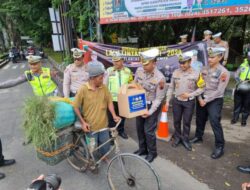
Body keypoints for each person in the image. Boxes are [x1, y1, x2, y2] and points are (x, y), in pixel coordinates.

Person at [73, 61, 120, 158]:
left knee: (105, 146)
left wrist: (114, 115)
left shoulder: (104, 88)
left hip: (103, 125)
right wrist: (83, 123)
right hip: (91, 127)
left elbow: (109, 102)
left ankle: (104, 156)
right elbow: (75, 106)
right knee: (92, 149)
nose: (102, 80)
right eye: (100, 78)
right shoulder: (83, 89)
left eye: (103, 77)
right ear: (92, 78)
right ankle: (91, 161)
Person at [190, 47, 230, 159]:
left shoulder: (224, 72)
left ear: (220, 57)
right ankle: (198, 136)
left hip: (214, 100)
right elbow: (198, 84)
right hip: (201, 97)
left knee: (214, 121)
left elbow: (219, 91)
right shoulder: (204, 68)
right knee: (199, 118)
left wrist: (205, 100)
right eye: (209, 56)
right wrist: (199, 98)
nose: (209, 59)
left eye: (212, 57)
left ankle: (220, 146)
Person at [166, 51, 205, 151]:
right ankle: (178, 137)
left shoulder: (196, 73)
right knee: (176, 121)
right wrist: (167, 101)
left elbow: (201, 88)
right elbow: (171, 87)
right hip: (177, 101)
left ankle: (185, 139)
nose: (182, 65)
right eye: (180, 63)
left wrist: (190, 94)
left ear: (190, 61)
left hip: (189, 102)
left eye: (184, 63)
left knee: (187, 122)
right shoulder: (176, 72)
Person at [133, 48, 166, 163]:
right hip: (140, 103)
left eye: (146, 64)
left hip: (152, 105)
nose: (144, 66)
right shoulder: (139, 71)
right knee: (139, 127)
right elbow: (134, 83)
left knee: (148, 130)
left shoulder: (160, 78)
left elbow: (159, 99)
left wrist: (150, 112)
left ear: (154, 63)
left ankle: (152, 152)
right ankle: (142, 149)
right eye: (143, 63)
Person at [104, 52, 133, 139]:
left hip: (123, 99)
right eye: (114, 61)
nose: (115, 63)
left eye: (117, 61)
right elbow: (104, 85)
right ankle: (111, 135)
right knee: (111, 118)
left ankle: (121, 131)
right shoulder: (109, 71)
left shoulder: (128, 71)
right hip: (111, 100)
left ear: (122, 60)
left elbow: (131, 83)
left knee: (122, 117)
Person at [231, 52, 250, 126]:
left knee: (247, 105)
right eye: (249, 57)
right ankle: (235, 118)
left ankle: (244, 120)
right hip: (239, 87)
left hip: (249, 89)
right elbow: (236, 74)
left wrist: (248, 80)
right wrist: (239, 80)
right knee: (237, 104)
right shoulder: (243, 65)